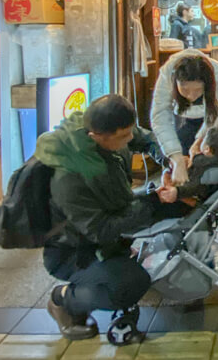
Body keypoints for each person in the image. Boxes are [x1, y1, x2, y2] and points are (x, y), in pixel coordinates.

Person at [36, 94, 158, 341]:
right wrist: (150, 205)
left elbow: (145, 138)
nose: (130, 139)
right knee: (129, 284)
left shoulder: (107, 134)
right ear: (96, 137)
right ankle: (63, 299)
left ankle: (104, 271)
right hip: (74, 250)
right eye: (123, 137)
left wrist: (171, 158)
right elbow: (100, 230)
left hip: (102, 236)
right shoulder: (69, 176)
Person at [151, 49, 218, 185]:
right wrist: (176, 158)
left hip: (208, 122)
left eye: (198, 90)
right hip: (181, 120)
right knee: (176, 159)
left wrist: (199, 142)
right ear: (176, 83)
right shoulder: (167, 73)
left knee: (207, 160)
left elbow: (215, 112)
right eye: (185, 90)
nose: (192, 96)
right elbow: (160, 116)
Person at [156, 125, 218, 205]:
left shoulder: (201, 162)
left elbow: (195, 185)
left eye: (203, 140)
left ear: (207, 149)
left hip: (191, 196)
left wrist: (177, 191)